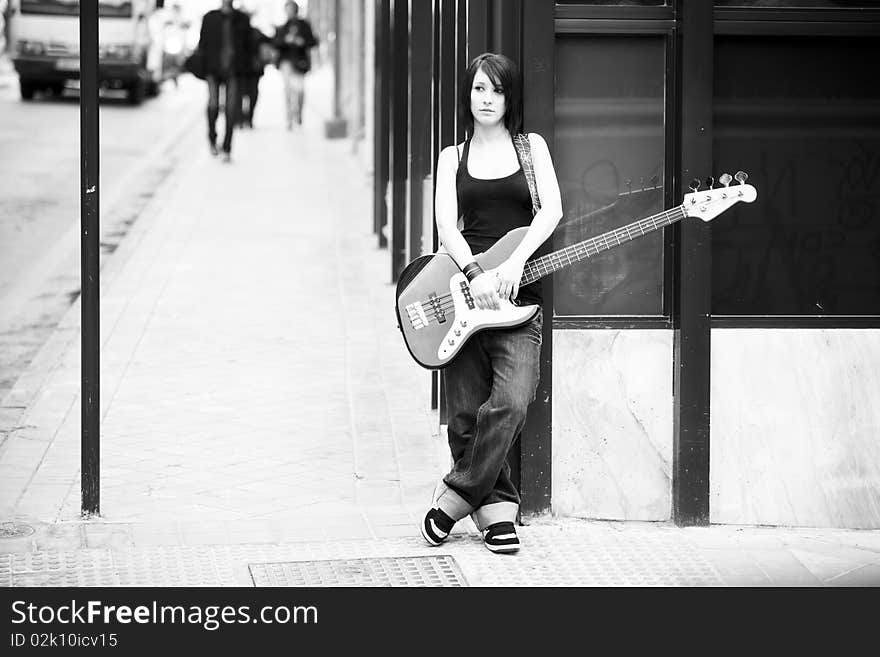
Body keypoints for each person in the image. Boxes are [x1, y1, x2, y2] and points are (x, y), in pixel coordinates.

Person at [421, 53, 563, 554]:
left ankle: (455, 498)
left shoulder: (532, 148)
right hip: (465, 297)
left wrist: (516, 263)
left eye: (497, 91)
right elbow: (447, 229)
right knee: (463, 413)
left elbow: (552, 211)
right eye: (480, 89)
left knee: (511, 400)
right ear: (469, 94)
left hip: (519, 299)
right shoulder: (450, 157)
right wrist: (478, 273)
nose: (487, 99)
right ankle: (498, 513)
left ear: (510, 98)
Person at [197, 0, 254, 161]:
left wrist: (245, 70)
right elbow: (202, 45)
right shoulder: (210, 18)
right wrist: (204, 68)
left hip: (234, 71)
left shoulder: (242, 19)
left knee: (231, 108)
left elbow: (248, 47)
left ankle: (227, 147)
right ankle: (212, 138)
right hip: (212, 70)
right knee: (213, 105)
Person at [273, 1, 318, 130]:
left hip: (299, 62)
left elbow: (313, 41)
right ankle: (289, 117)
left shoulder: (304, 26)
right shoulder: (283, 27)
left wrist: (301, 41)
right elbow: (276, 43)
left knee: (299, 91)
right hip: (286, 61)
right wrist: (285, 40)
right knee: (288, 90)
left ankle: (298, 114)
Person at [237, 24, 272, 129]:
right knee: (248, 94)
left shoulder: (252, 32)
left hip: (250, 69)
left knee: (246, 94)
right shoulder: (253, 32)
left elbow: (268, 41)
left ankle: (244, 118)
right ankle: (245, 118)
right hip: (246, 69)